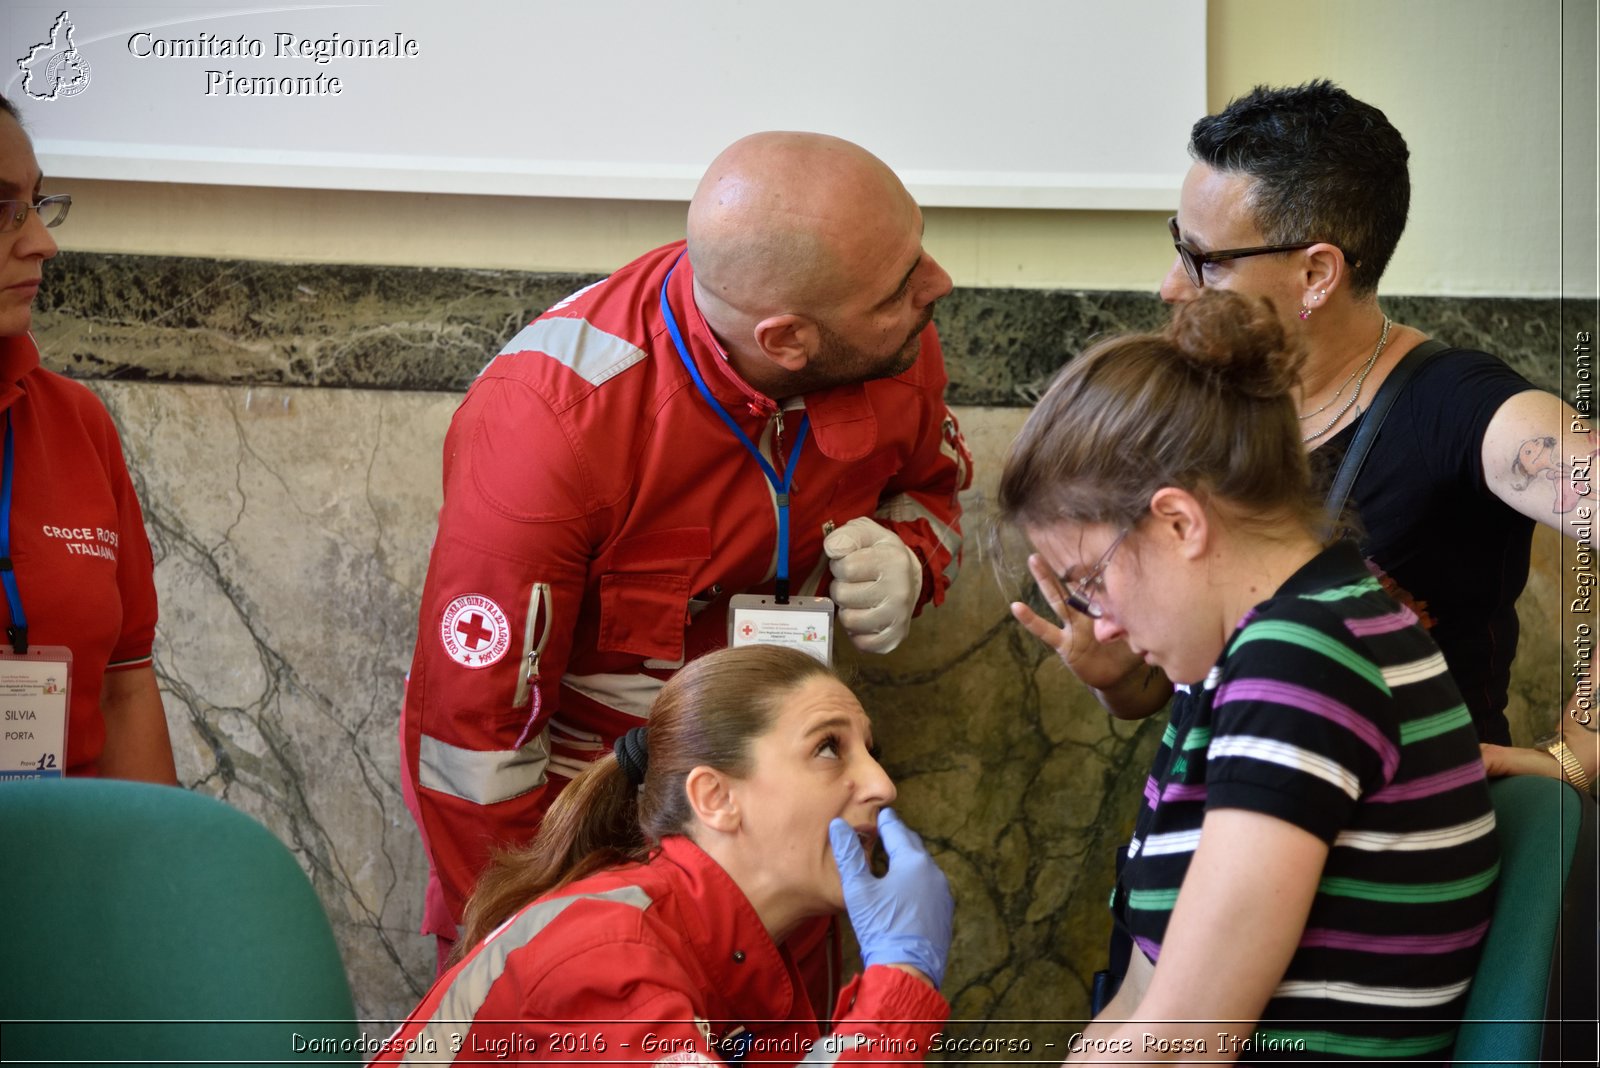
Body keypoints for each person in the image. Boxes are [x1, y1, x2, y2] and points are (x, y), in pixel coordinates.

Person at [401, 131, 971, 966]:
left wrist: (912, 558)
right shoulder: (549, 424)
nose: (938, 286)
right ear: (786, 340)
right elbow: (472, 745)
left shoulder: (887, 328)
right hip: (596, 843)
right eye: (899, 287)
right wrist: (537, 943)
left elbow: (934, 487)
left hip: (787, 835)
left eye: (917, 249)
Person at [1013, 80, 1596, 792]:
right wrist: (1116, 680)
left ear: (1316, 273)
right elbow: (1167, 685)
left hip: (1395, 854)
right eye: (1178, 245)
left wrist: (1576, 753)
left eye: (1206, 260)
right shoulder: (1210, 393)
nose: (1171, 285)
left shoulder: (1458, 406)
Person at [999, 291, 1499, 1061]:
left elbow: (1181, 1042)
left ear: (1178, 523)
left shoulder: (1303, 661)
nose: (1099, 624)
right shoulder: (1255, 654)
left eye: (1090, 579)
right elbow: (1143, 995)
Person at [374, 644, 953, 1064]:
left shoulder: (742, 958)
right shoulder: (607, 962)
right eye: (830, 747)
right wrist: (900, 980)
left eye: (870, 751)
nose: (882, 785)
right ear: (716, 798)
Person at [0, 93, 175, 784]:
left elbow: (127, 688)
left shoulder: (78, 423)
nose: (42, 239)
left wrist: (156, 884)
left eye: (39, 202)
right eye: (2, 206)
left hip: (65, 865)